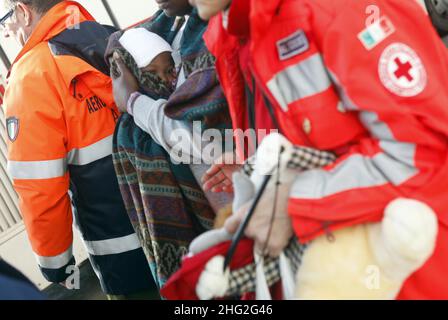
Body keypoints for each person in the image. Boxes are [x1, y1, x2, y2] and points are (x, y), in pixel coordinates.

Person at [194, 0, 448, 299]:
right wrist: (258, 167)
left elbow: (426, 150)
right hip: (332, 269)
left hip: (405, 269)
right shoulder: (239, 29)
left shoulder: (338, 8)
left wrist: (290, 203)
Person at [2, 0, 153, 298]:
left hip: (124, 255)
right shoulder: (110, 36)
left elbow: (40, 189)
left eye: (6, 19)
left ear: (23, 11)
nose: (6, 32)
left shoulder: (31, 77)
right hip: (180, 223)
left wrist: (55, 264)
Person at [110, 0, 232, 290]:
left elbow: (203, 141)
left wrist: (133, 102)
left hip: (234, 196)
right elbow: (119, 42)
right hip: (214, 199)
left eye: (169, 72)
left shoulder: (211, 32)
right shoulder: (173, 23)